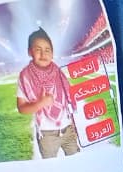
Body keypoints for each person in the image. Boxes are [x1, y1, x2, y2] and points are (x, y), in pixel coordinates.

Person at [15, 28, 80, 160]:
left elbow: (68, 99)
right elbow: (21, 108)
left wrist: (72, 123)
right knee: (51, 168)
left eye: (47, 50)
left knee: (76, 162)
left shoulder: (58, 72)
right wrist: (41, 103)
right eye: (38, 49)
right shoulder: (25, 77)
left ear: (52, 53)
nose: (43, 54)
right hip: (47, 135)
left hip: (68, 129)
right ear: (29, 52)